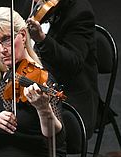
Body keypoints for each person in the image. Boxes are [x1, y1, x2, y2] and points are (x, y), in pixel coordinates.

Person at [0, 6, 67, 157]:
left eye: (7, 39)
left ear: (23, 36)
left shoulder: (43, 78)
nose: (2, 50)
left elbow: (56, 139)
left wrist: (43, 108)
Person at [26, 0, 99, 139]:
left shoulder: (80, 12)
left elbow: (73, 62)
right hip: (34, 84)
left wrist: (42, 39)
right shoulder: (36, 2)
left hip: (67, 97)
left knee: (24, 124)